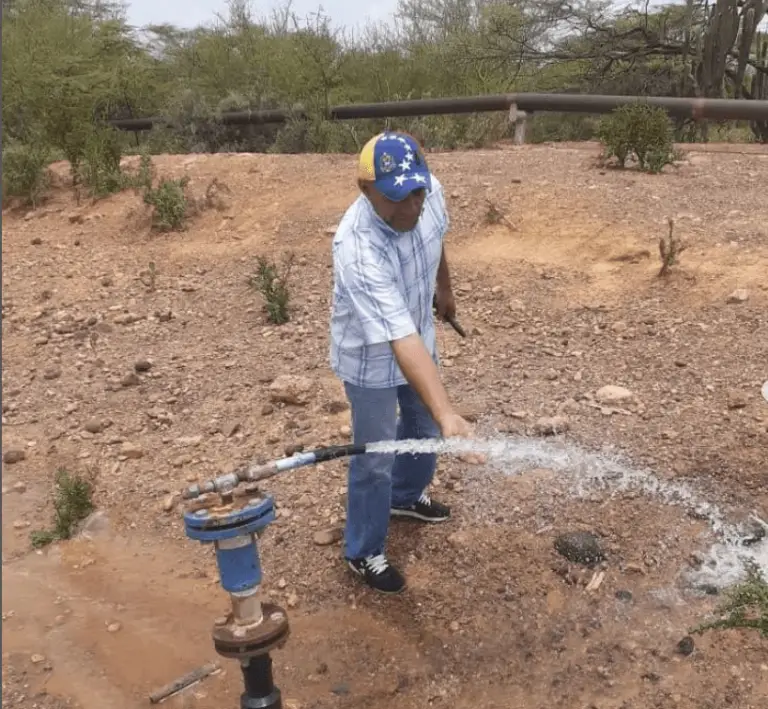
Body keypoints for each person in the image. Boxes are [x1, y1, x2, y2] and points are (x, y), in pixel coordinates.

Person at [329, 131, 479, 594]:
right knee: (375, 456)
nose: (412, 206)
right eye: (396, 198)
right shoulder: (356, 246)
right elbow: (397, 337)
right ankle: (363, 551)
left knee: (422, 430)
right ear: (365, 190)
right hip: (370, 357)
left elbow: (436, 238)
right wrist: (448, 409)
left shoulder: (428, 192)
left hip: (420, 333)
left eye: (417, 193)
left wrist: (446, 289)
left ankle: (406, 497)